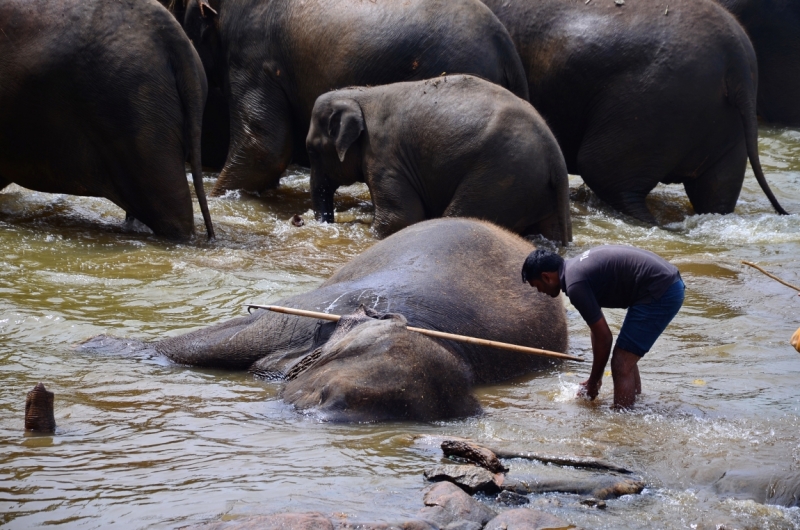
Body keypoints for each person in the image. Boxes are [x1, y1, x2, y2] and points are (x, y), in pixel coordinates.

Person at [521, 246, 684, 408]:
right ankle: (636, 406)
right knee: (625, 353)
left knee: (621, 362)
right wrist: (596, 379)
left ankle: (623, 423)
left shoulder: (575, 284)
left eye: (537, 286)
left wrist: (593, 382)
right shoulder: (575, 271)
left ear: (546, 277)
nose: (540, 291)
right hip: (664, 284)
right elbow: (597, 330)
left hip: (661, 290)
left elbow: (604, 337)